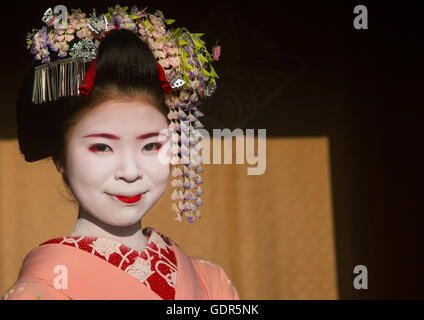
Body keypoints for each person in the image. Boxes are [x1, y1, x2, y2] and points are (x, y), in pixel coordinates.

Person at [2, 5, 238, 300]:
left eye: (151, 145)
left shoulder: (210, 282)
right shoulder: (39, 292)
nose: (130, 171)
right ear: (61, 156)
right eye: (102, 147)